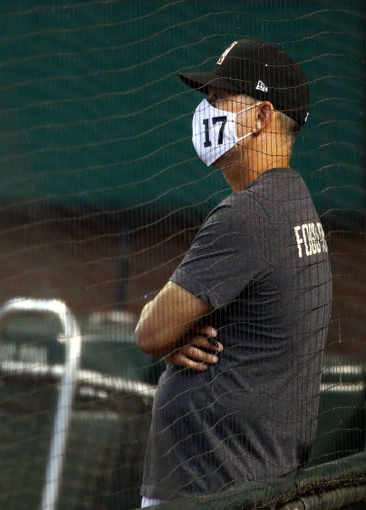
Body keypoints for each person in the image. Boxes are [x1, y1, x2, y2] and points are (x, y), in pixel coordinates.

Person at [134, 39, 332, 507]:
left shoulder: (250, 214)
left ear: (263, 117)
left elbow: (150, 332)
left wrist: (171, 336)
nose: (206, 111)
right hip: (246, 478)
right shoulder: (293, 200)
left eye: (220, 99)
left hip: (215, 489)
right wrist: (175, 335)